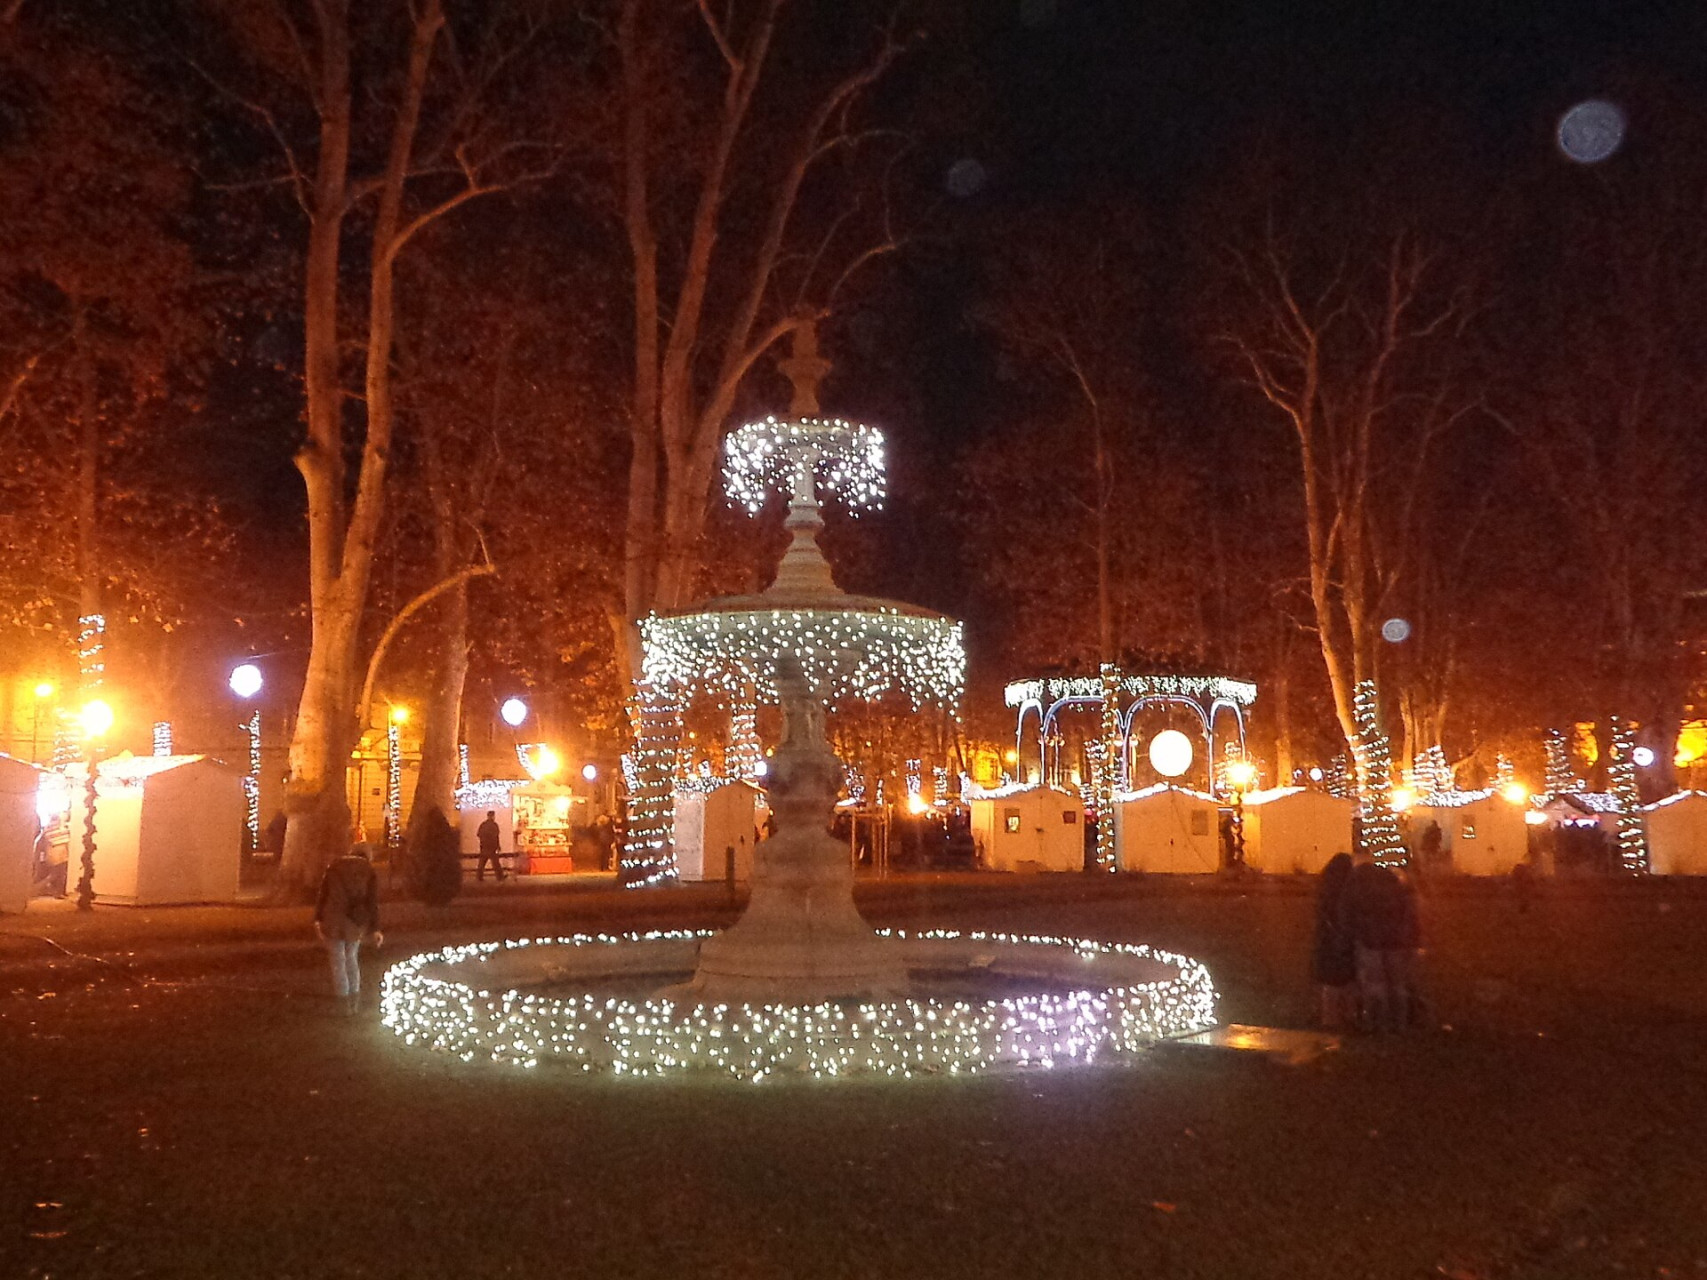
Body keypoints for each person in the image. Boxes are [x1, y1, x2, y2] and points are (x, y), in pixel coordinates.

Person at [1340, 851, 1411, 1032]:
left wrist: (1350, 934)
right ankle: (1399, 1024)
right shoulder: (1389, 877)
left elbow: (1347, 910)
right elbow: (1404, 907)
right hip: (1394, 939)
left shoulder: (1354, 880)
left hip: (1369, 939)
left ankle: (1378, 1024)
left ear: (1356, 862)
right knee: (1397, 983)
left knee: (1374, 982)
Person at [313, 842, 382, 1016]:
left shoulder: (334, 867)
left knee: (337, 961)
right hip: (355, 921)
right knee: (352, 958)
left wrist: (318, 918)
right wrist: (375, 929)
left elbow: (323, 894)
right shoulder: (369, 871)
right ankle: (354, 1000)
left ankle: (342, 1000)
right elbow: (372, 902)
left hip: (333, 918)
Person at [1311, 852, 1358, 1029]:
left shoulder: (1325, 888)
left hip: (1327, 939)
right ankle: (1348, 1015)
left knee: (1330, 982)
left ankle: (1330, 1018)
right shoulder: (1349, 889)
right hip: (1343, 938)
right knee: (1347, 979)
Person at [476, 810, 506, 882]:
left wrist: (483, 840)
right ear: (492, 816)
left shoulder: (483, 825)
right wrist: (498, 846)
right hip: (492, 847)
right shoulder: (494, 825)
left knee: (482, 862)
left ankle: (479, 876)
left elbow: (478, 834)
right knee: (495, 863)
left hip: (484, 846)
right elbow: (496, 836)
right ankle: (500, 877)